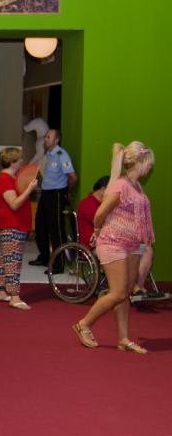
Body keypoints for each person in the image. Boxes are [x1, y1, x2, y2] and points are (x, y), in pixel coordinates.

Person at [72, 142, 155, 354]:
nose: (151, 168)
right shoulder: (121, 185)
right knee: (118, 292)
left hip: (131, 244)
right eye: (149, 164)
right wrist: (98, 231)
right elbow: (100, 214)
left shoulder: (136, 186)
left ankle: (124, 339)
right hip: (113, 242)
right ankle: (84, 324)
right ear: (141, 162)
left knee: (124, 293)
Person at [0, 147, 39, 310]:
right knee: (13, 260)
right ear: (12, 162)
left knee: (6, 258)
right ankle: (14, 296)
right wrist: (29, 189)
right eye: (19, 160)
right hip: (12, 224)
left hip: (16, 224)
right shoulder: (5, 180)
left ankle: (1, 290)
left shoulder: (11, 177)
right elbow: (14, 204)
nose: (22, 162)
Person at [29, 129, 78, 267]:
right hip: (46, 194)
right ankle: (44, 257)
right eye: (45, 136)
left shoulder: (62, 155)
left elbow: (73, 177)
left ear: (56, 140)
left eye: (48, 137)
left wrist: (67, 191)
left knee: (55, 229)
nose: (45, 139)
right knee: (40, 226)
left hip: (56, 194)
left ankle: (59, 263)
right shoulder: (49, 155)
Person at [77, 175, 110, 248]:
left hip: (101, 241)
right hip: (91, 245)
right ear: (103, 189)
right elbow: (103, 224)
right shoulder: (87, 204)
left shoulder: (100, 204)